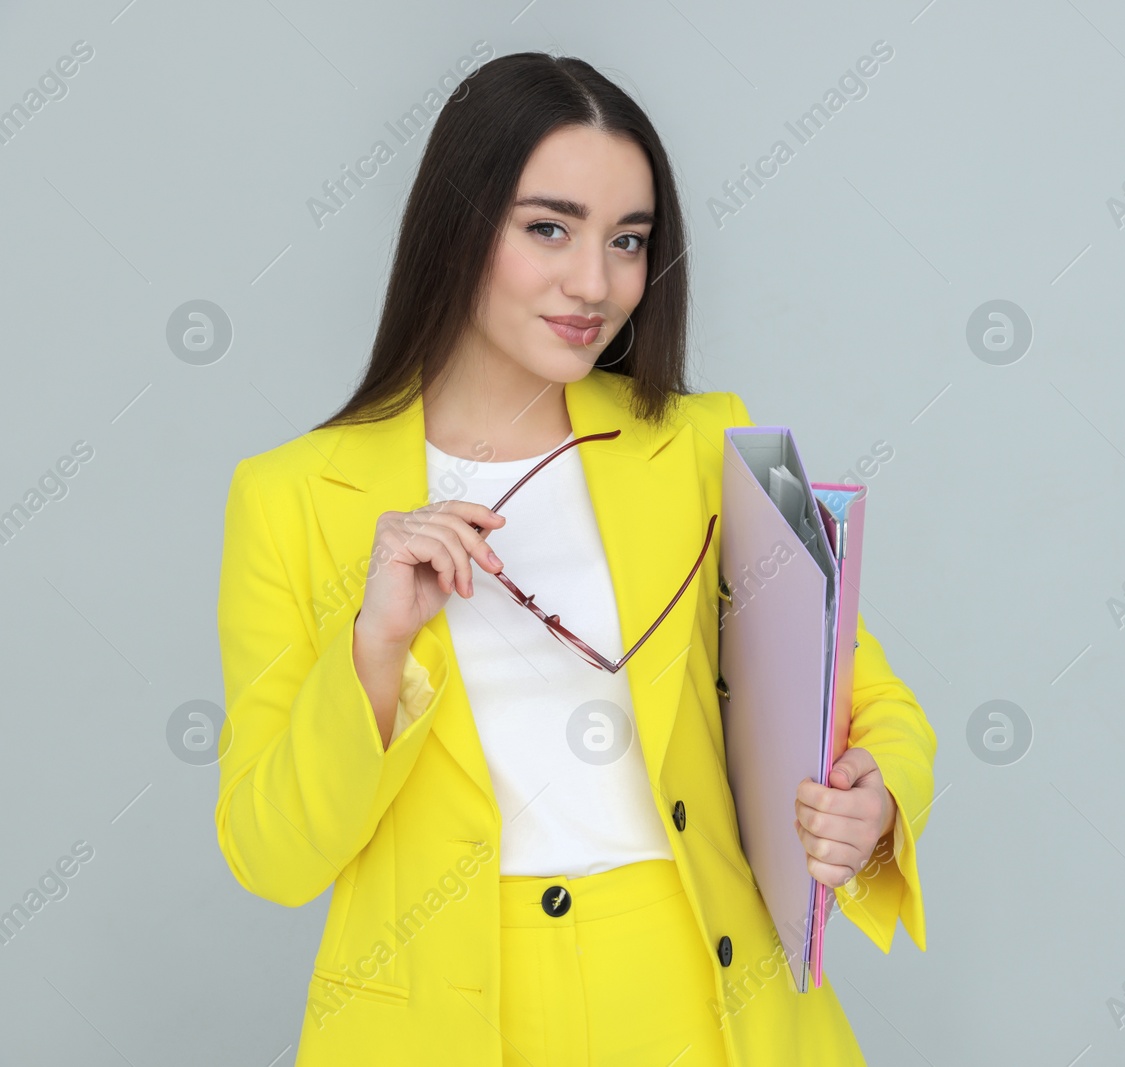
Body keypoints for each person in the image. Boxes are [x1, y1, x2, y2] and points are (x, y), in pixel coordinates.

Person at [214, 51, 936, 1067]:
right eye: (547, 227)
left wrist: (877, 796)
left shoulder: (710, 445)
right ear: (456, 225)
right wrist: (375, 647)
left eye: (628, 240)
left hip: (700, 983)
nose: (595, 283)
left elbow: (872, 705)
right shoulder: (290, 496)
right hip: (447, 1011)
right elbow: (272, 851)